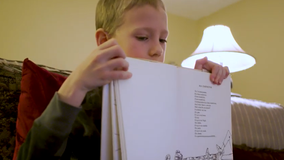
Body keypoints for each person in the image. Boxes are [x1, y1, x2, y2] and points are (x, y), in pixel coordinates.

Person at [17, 0, 230, 159]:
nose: (158, 49)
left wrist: (207, 85)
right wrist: (75, 87)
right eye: (143, 37)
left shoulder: (171, 92)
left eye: (163, 39)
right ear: (104, 41)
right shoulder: (87, 104)